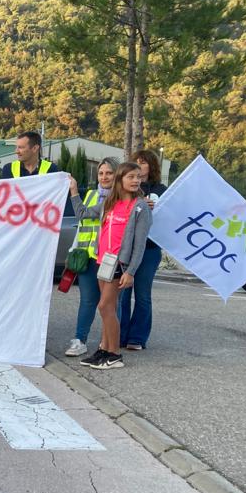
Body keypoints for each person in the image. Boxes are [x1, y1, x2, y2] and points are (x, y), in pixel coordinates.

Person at [77, 162, 152, 370]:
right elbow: (83, 214)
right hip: (103, 260)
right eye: (131, 177)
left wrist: (130, 271)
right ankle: (104, 349)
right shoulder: (110, 202)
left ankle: (114, 354)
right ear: (120, 180)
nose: (136, 180)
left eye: (138, 177)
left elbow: (139, 244)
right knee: (107, 309)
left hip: (120, 263)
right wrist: (74, 192)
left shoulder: (140, 208)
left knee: (104, 306)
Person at [64, 158, 117, 357]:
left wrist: (74, 193)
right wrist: (74, 249)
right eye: (101, 173)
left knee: (109, 304)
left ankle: (110, 344)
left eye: (109, 173)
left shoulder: (122, 198)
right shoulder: (92, 195)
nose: (104, 177)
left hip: (110, 259)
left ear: (116, 175)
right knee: (87, 301)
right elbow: (82, 220)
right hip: (87, 257)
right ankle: (80, 340)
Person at [118, 149, 167, 351]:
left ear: (152, 166)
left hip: (150, 249)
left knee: (143, 294)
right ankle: (119, 335)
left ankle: (137, 338)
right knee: (122, 294)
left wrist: (155, 206)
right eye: (137, 162)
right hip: (127, 249)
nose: (140, 166)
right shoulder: (128, 188)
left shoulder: (161, 189)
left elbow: (169, 215)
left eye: (144, 163)